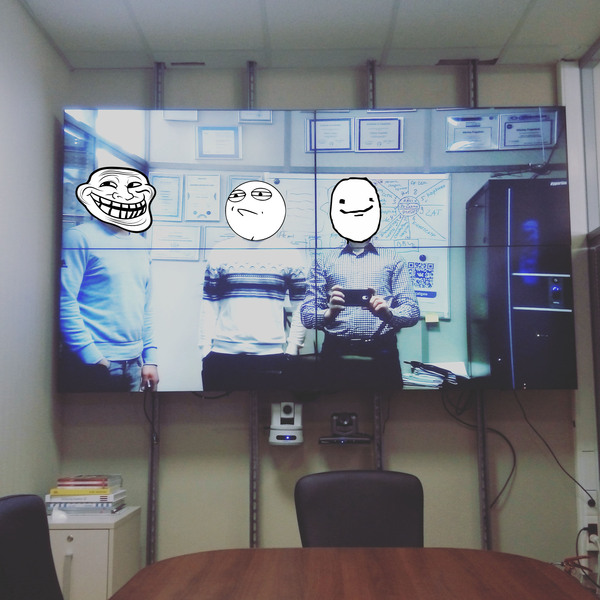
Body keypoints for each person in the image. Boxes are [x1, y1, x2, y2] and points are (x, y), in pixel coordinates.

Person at [300, 176, 420, 389]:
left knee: (389, 406)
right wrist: (329, 314)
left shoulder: (393, 259)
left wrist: (388, 314)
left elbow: (412, 312)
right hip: (335, 352)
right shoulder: (323, 260)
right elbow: (307, 315)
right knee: (330, 406)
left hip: (382, 352)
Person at [199, 181, 307, 390]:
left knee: (269, 409)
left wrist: (293, 348)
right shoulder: (220, 251)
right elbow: (208, 305)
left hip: (271, 355)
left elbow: (301, 306)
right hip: (222, 355)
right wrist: (204, 350)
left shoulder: (289, 253)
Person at [59, 167, 159, 392]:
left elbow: (146, 306)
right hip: (93, 363)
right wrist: (93, 357)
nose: (124, 195)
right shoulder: (78, 237)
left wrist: (150, 358)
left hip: (135, 362)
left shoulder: (141, 243)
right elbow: (64, 301)